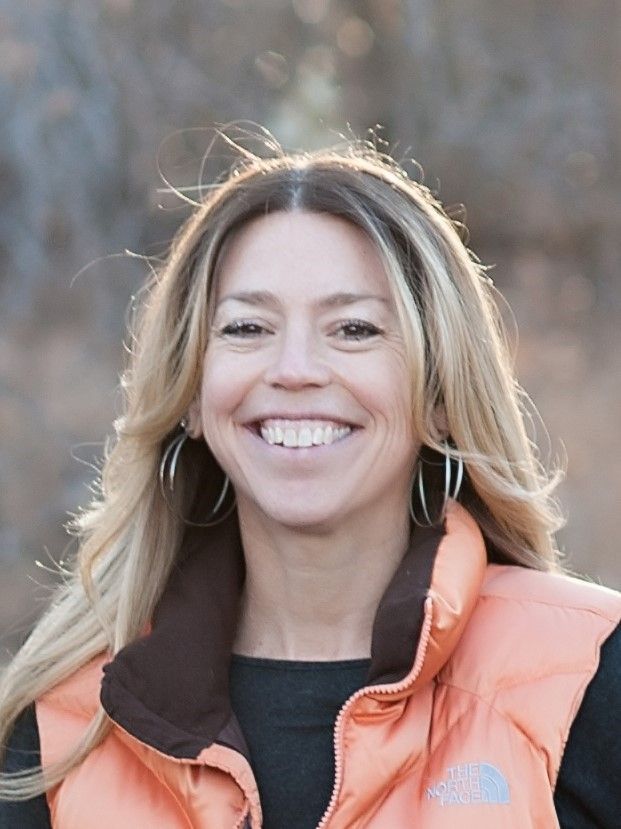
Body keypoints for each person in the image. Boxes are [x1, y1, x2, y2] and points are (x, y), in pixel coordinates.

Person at [1, 132, 620, 829]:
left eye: (353, 328)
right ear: (191, 396)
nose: (294, 368)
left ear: (441, 397)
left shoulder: (585, 677)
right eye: (246, 328)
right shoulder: (67, 724)